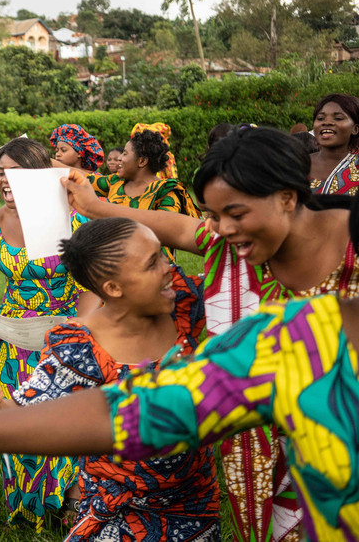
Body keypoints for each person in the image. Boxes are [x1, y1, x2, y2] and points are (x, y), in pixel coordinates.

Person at [61, 126, 359, 542]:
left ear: (288, 198)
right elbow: (177, 229)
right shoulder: (233, 244)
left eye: (234, 214)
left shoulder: (353, 244)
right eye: (213, 215)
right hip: (251, 446)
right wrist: (95, 208)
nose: (220, 227)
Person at [0, 283, 359, 541]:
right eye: (154, 261)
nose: (171, 272)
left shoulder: (192, 317)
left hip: (187, 511)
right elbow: (137, 411)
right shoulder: (306, 341)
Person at [0, 218, 220, 540]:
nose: (168, 267)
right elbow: (30, 414)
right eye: (152, 263)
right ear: (113, 288)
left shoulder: (183, 304)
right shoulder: (80, 345)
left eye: (163, 254)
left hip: (195, 507)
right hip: (117, 516)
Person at [0, 137, 98, 528]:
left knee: (63, 423)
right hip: (14, 338)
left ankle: (73, 496)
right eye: (2, 173)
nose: (6, 181)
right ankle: (32, 502)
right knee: (19, 423)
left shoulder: (73, 219)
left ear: (40, 178)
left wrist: (78, 332)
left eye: (17, 174)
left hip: (68, 333)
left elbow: (90, 285)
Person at [91, 130, 198, 218]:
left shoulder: (166, 193)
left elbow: (164, 231)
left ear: (142, 161)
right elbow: (84, 179)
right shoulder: (116, 181)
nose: (119, 158)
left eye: (125, 153)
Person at [310, 93, 359, 195]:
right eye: (320, 118)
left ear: (355, 129)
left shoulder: (356, 166)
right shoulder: (295, 164)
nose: (326, 122)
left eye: (338, 118)